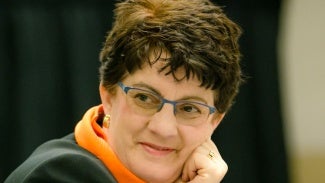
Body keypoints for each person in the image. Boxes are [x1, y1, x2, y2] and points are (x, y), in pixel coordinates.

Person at [5, 0, 242, 182]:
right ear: (108, 96)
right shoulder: (63, 174)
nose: (163, 128)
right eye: (144, 98)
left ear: (215, 121)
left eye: (189, 108)